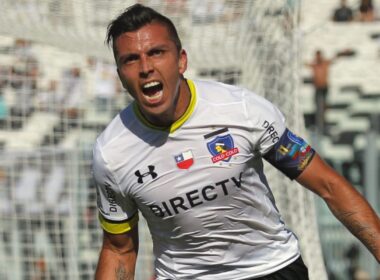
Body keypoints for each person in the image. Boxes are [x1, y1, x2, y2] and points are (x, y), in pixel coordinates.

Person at [93, 4, 380, 280]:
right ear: (120, 75)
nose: (145, 68)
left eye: (156, 52)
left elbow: (329, 186)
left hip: (271, 269)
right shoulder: (112, 153)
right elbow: (120, 250)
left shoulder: (241, 110)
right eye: (131, 59)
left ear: (181, 60)